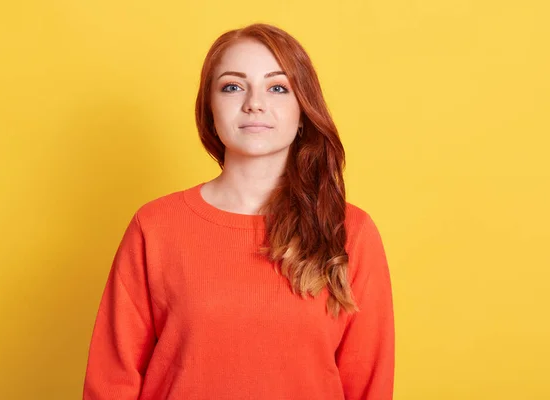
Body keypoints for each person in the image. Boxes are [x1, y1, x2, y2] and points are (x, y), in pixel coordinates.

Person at [82, 23, 394, 400]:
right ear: (210, 107)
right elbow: (111, 378)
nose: (254, 103)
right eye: (233, 86)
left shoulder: (349, 231)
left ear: (302, 112)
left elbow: (368, 383)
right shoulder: (155, 226)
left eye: (277, 87)